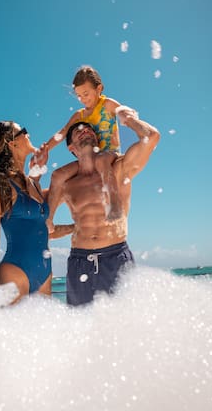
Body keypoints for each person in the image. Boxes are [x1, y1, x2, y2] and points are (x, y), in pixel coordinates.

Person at [48, 108, 160, 306]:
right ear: (71, 148)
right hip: (79, 262)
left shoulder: (118, 169)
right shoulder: (66, 185)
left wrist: (129, 120)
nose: (85, 130)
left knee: (125, 327)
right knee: (80, 328)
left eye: (89, 129)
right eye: (78, 131)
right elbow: (42, 227)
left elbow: (151, 137)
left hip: (115, 258)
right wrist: (73, 229)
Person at [0, 121, 74, 304]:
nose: (28, 134)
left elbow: (40, 229)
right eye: (23, 131)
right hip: (15, 271)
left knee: (43, 332)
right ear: (11, 143)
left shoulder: (32, 183)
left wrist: (79, 227)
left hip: (44, 273)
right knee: (11, 331)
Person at [45, 65, 137, 232]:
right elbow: (63, 132)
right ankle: (49, 219)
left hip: (110, 154)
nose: (82, 99)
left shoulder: (107, 104)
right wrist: (45, 149)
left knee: (101, 160)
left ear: (99, 88)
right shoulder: (79, 115)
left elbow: (122, 111)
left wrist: (128, 116)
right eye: (79, 96)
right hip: (88, 158)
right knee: (58, 174)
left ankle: (115, 205)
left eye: (86, 94)